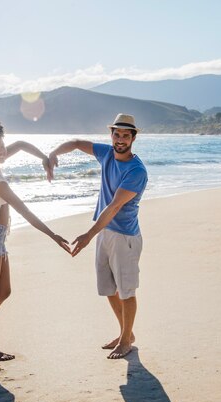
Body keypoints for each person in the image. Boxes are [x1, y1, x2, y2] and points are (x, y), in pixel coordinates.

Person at [0, 116, 71, 361]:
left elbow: (22, 144)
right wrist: (53, 235)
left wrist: (45, 159)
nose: (2, 152)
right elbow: (25, 210)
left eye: (2, 146)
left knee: (4, 291)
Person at [48, 113, 148, 359]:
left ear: (133, 138)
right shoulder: (105, 153)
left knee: (126, 291)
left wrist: (88, 235)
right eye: (117, 134)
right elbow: (76, 143)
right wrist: (53, 154)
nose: (120, 139)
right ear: (111, 135)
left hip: (124, 237)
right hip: (104, 231)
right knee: (109, 288)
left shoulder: (136, 171)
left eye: (126, 135)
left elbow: (114, 206)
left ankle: (126, 340)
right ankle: (127, 333)